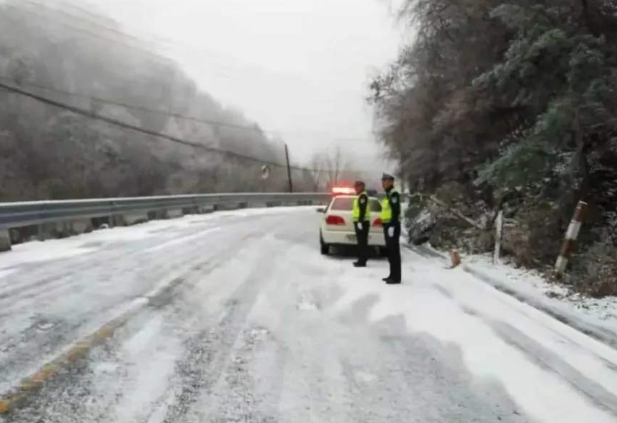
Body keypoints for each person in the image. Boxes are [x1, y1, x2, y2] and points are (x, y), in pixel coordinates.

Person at [380, 173, 401, 284]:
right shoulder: (388, 194)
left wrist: (392, 226)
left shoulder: (393, 194)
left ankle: (396, 277)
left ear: (391, 182)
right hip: (387, 226)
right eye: (382, 181)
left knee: (394, 253)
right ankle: (392, 274)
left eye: (385, 181)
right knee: (390, 252)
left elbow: (395, 211)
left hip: (392, 226)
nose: (383, 183)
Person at [352, 180, 371, 267]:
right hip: (361, 221)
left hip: (362, 222)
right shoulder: (360, 195)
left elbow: (362, 209)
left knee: (362, 242)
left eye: (357, 186)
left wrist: (360, 221)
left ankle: (362, 261)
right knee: (361, 241)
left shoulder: (363, 196)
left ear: (362, 187)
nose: (355, 188)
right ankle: (362, 259)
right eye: (355, 186)